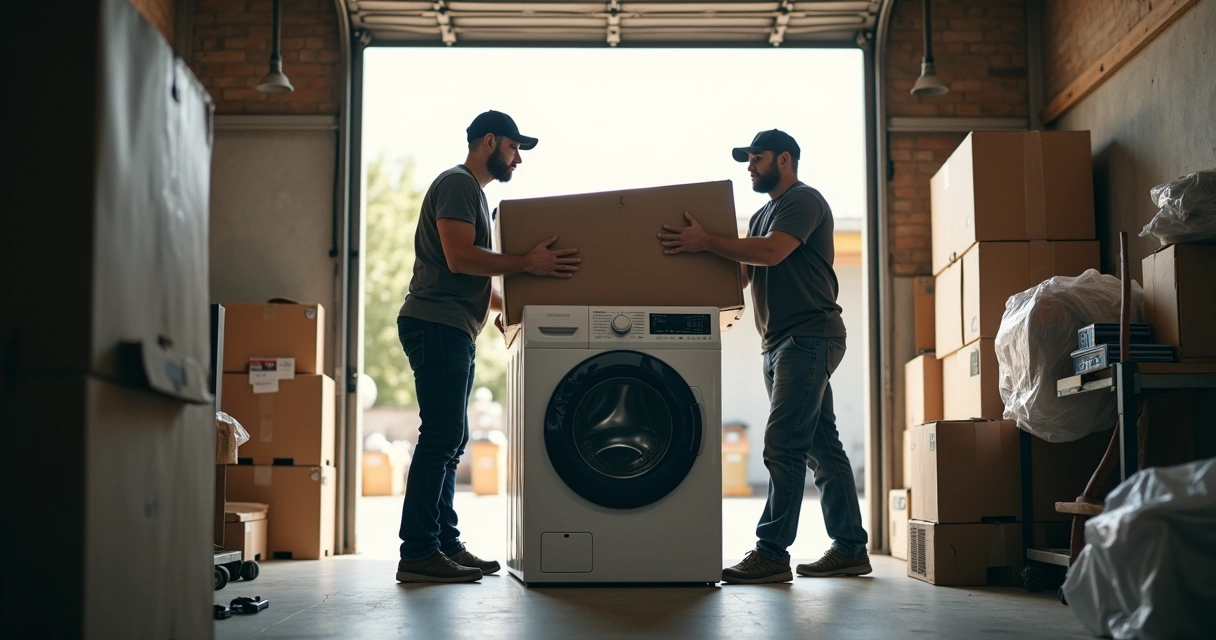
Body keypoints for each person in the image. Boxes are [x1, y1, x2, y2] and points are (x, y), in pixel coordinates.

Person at [657, 129, 870, 584]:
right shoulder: (758, 216)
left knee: (783, 443)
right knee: (821, 446)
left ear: (784, 160)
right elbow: (741, 277)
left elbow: (772, 252)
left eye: (757, 158)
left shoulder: (803, 200)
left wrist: (706, 241)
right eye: (748, 160)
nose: (750, 167)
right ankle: (851, 548)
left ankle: (772, 553)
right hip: (777, 342)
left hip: (809, 335)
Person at [395, 110, 581, 583]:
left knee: (452, 439)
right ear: (490, 141)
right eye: (514, 148)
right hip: (436, 322)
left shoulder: (473, 194)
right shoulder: (458, 184)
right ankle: (418, 552)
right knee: (441, 436)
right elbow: (459, 258)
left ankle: (444, 543)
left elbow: (470, 274)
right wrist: (527, 265)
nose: (518, 159)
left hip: (453, 325)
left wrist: (507, 306)